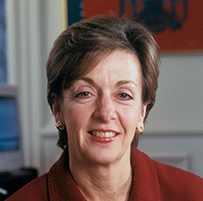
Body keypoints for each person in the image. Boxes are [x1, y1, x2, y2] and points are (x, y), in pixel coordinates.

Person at [6, 15, 203, 201]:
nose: (105, 112)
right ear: (58, 108)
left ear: (142, 112)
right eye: (85, 93)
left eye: (124, 95)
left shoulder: (194, 193)